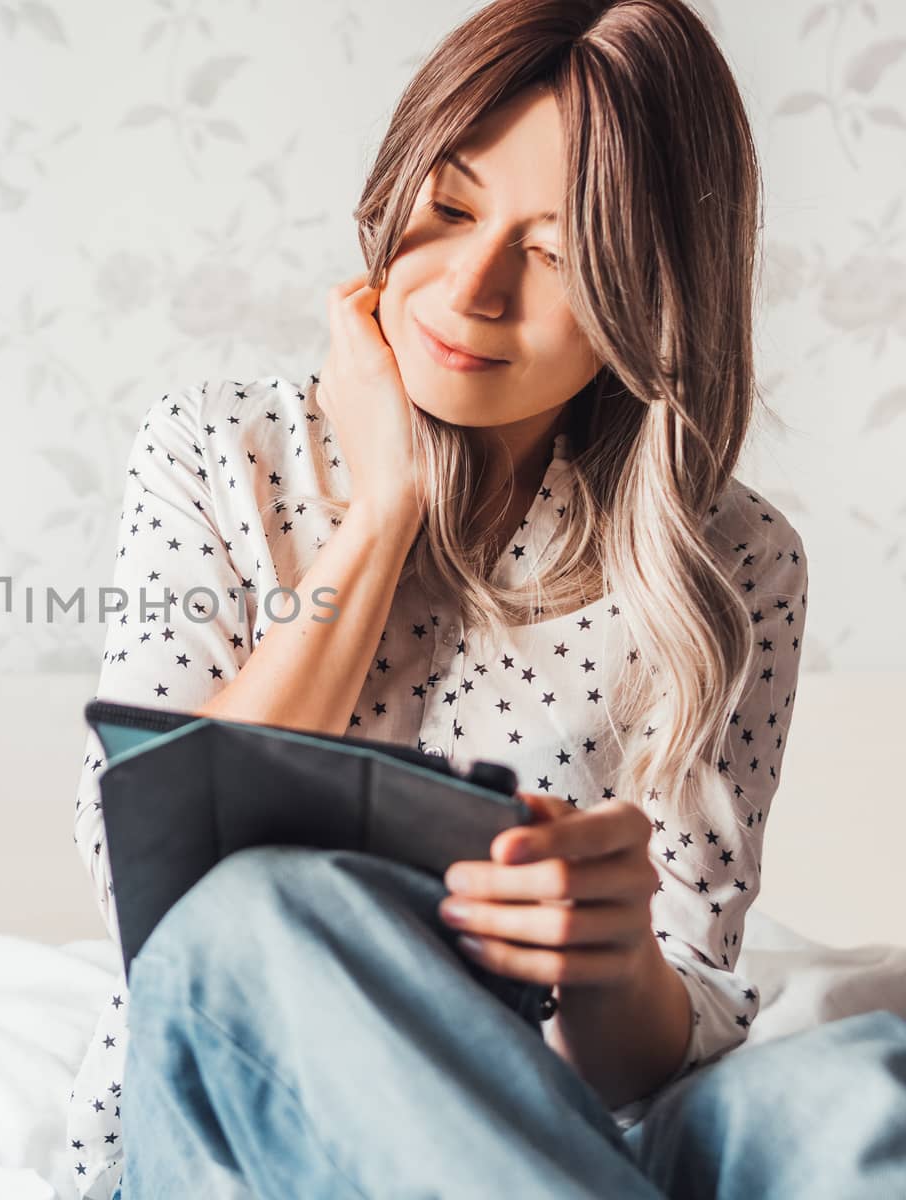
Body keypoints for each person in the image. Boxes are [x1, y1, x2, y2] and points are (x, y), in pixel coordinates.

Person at [64, 0, 906, 1196]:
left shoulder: (734, 563)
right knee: (257, 905)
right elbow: (148, 883)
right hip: (240, 1132)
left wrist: (612, 962)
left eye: (555, 253)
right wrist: (382, 512)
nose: (472, 287)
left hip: (559, 1140)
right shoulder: (218, 452)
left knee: (847, 1082)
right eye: (448, 209)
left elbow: (682, 1015)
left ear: (652, 293)